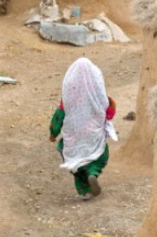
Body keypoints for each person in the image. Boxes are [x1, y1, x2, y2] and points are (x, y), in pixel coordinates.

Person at [49, 58, 117, 200]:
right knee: (100, 153)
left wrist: (53, 133)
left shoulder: (67, 101)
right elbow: (109, 114)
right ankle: (93, 171)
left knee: (73, 158)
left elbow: (58, 117)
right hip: (93, 135)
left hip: (74, 136)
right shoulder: (100, 99)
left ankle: (84, 190)